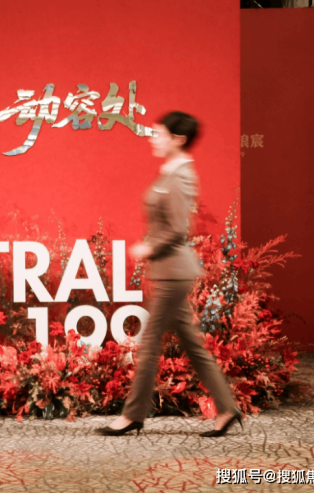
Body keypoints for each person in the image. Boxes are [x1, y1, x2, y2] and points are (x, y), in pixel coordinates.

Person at [95, 111, 242, 438]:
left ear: (178, 139)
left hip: (173, 272)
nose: (153, 139)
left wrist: (148, 248)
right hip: (170, 271)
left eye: (159, 134)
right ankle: (228, 408)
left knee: (149, 345)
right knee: (193, 345)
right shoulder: (172, 172)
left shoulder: (180, 176)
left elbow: (177, 229)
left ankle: (132, 415)